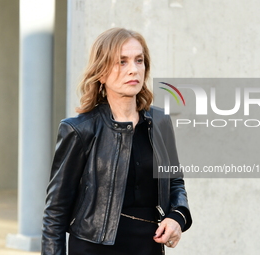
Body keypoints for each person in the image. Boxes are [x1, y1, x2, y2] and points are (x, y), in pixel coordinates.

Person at [41, 27, 192, 255]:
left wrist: (177, 217)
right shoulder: (79, 129)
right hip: (92, 248)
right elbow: (55, 212)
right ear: (101, 73)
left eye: (138, 60)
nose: (133, 69)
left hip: (147, 245)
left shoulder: (159, 122)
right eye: (122, 62)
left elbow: (174, 181)